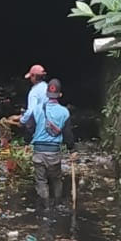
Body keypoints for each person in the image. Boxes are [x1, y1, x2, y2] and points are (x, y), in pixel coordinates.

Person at [23, 78, 75, 206]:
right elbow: (68, 134)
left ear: (46, 94)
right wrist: (71, 149)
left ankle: (45, 207)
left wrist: (26, 142)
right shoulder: (65, 112)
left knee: (41, 180)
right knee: (56, 179)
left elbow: (29, 128)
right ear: (60, 95)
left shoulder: (37, 110)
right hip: (54, 153)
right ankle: (57, 204)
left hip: (38, 152)